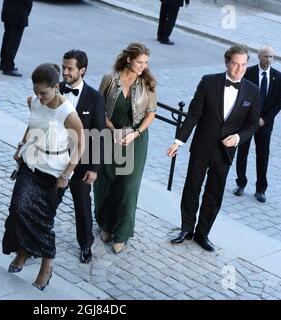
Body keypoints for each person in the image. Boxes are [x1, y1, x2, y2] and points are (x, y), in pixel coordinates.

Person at [168, 44, 261, 252]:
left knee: (214, 193)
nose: (239, 69)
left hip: (225, 152)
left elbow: (253, 124)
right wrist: (178, 141)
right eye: (235, 64)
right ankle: (186, 228)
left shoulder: (253, 91)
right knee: (192, 188)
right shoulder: (208, 82)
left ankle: (202, 234)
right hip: (202, 147)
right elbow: (193, 115)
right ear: (227, 62)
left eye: (244, 65)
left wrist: (237, 137)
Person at [2, 63, 84, 290]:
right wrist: (20, 147)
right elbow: (32, 125)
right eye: (36, 91)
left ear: (56, 87)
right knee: (18, 210)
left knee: (43, 220)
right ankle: (24, 250)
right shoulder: (34, 102)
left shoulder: (67, 113)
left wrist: (67, 174)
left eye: (44, 93)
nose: (39, 97)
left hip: (54, 172)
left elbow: (80, 144)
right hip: (30, 164)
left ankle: (46, 265)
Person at [94, 43, 157, 254]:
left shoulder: (148, 82)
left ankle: (122, 232)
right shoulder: (109, 79)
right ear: (129, 59)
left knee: (128, 186)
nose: (143, 66)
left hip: (135, 139)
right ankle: (105, 224)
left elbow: (151, 113)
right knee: (107, 182)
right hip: (110, 135)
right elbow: (99, 108)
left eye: (146, 62)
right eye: (140, 62)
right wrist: (111, 128)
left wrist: (135, 134)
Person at [60, 50, 105, 264]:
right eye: (64, 67)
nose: (65, 72)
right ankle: (35, 240)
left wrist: (93, 168)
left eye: (70, 68)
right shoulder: (55, 89)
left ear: (82, 70)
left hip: (81, 163)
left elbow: (98, 135)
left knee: (82, 205)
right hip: (55, 159)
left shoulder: (95, 98)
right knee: (48, 201)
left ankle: (85, 244)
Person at [233, 45, 281, 203]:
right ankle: (240, 183)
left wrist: (264, 119)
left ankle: (261, 189)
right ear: (259, 56)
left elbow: (278, 103)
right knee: (243, 152)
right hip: (247, 121)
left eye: (271, 57)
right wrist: (251, 117)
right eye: (266, 56)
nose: (268, 60)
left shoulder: (277, 77)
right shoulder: (249, 72)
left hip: (265, 124)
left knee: (263, 155)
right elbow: (242, 96)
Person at [0, 0, 33, 77]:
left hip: (7, 11)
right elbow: (28, 3)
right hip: (19, 14)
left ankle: (3, 63)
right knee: (14, 42)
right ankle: (8, 67)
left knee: (7, 37)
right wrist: (26, 12)